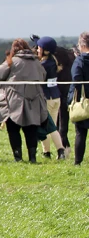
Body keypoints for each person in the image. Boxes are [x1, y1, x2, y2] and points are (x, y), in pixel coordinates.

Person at [0, 39, 48, 163]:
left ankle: (18, 158)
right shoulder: (37, 62)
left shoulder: (13, 61)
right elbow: (43, 76)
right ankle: (32, 158)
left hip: (14, 101)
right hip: (34, 101)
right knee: (31, 130)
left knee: (13, 130)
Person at [36, 36, 66, 160]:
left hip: (47, 98)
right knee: (52, 126)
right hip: (55, 97)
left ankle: (58, 150)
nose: (37, 49)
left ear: (45, 51)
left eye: (39, 48)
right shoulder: (53, 61)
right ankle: (48, 152)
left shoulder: (43, 65)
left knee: (48, 127)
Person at [69, 32, 89, 166]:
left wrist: (71, 99)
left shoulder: (79, 61)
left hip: (83, 101)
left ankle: (78, 162)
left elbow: (76, 81)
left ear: (82, 45)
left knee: (81, 132)